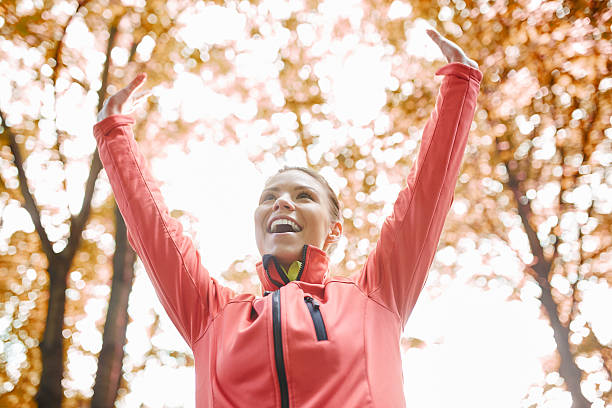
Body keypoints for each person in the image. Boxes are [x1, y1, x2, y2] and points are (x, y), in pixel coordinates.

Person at [93, 29, 481, 407]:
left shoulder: (376, 295)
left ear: (334, 231)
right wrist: (113, 134)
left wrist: (459, 86)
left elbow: (425, 198)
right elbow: (154, 230)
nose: (282, 203)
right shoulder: (212, 315)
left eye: (303, 196)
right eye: (270, 198)